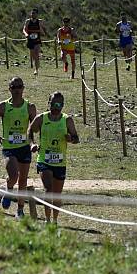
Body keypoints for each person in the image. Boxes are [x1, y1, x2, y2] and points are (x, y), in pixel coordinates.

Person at [28, 92, 79, 225]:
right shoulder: (41, 118)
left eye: (59, 104)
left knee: (56, 195)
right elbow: (30, 130)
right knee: (48, 190)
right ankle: (47, 220)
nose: (56, 107)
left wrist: (71, 139)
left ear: (62, 105)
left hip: (60, 162)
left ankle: (55, 220)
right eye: (53, 104)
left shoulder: (67, 120)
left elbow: (76, 138)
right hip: (44, 160)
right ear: (48, 104)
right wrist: (32, 144)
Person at [0, 77, 37, 219]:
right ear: (9, 89)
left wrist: (33, 143)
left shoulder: (30, 107)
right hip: (9, 147)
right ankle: (8, 189)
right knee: (13, 176)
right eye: (14, 87)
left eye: (20, 87)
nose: (17, 90)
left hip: (24, 147)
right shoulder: (2, 106)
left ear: (23, 88)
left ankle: (20, 210)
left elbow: (33, 127)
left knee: (23, 180)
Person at [22, 8, 46, 75]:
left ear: (37, 14)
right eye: (32, 13)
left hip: (37, 40)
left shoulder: (40, 21)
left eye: (34, 13)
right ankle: (37, 63)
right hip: (30, 40)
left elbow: (43, 30)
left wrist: (42, 31)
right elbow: (24, 29)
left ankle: (36, 70)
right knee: (33, 56)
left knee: (36, 54)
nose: (33, 14)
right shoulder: (27, 21)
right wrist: (26, 34)